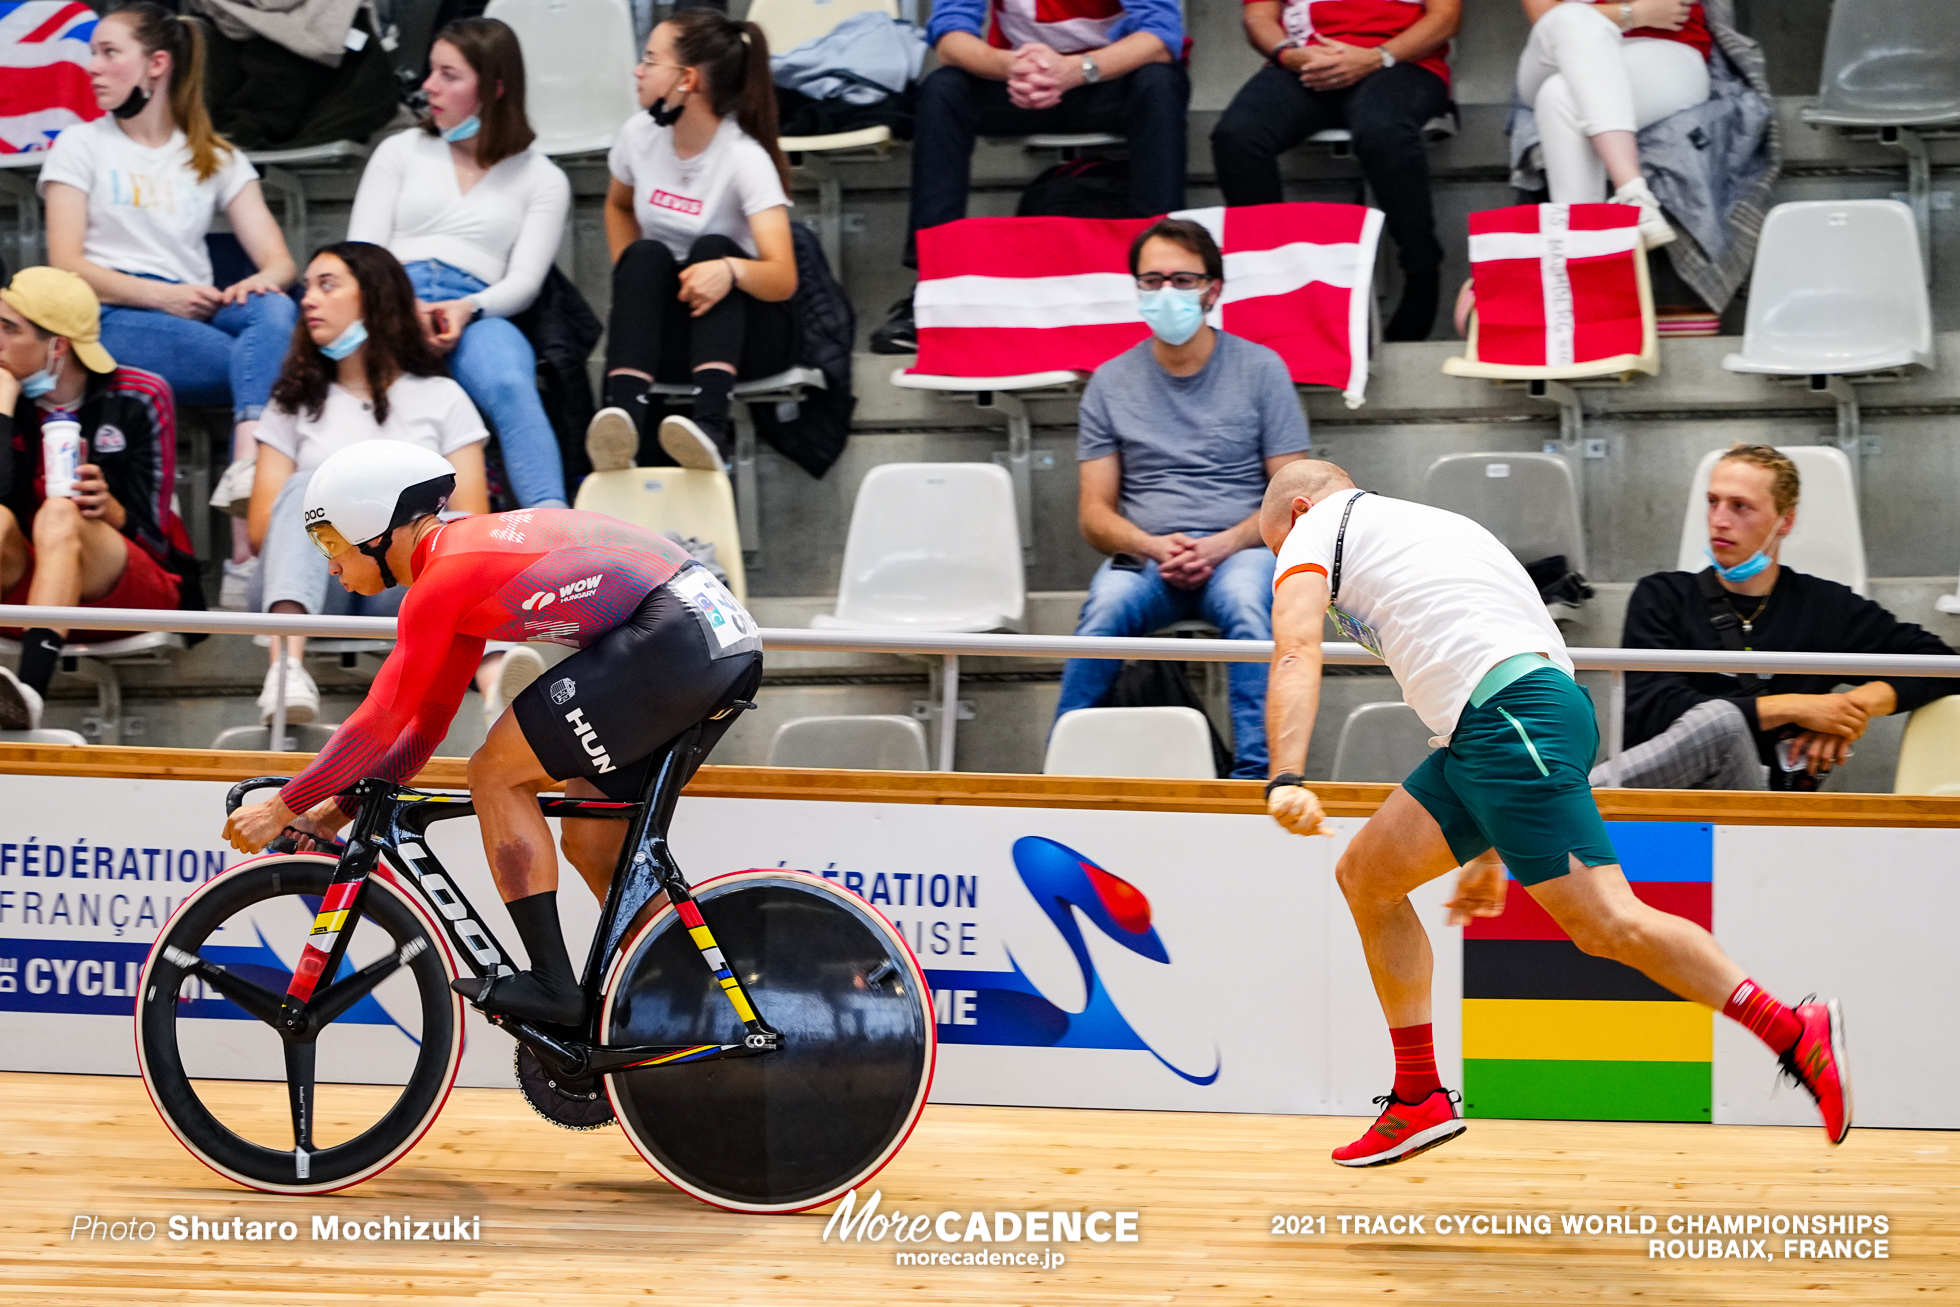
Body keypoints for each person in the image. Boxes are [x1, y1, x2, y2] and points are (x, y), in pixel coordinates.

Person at [1257, 459, 1850, 1165]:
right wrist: (1483, 848)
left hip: (1509, 723)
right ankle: (1418, 1093)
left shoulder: (1314, 527)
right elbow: (1481, 652)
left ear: (1296, 511)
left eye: (1275, 548)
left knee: (1607, 922)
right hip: (1504, 723)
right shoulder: (1429, 526)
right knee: (1368, 876)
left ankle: (1790, 1027)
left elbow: (1295, 651)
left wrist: (1286, 774)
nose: (1287, 565)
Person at [222, 441, 763, 1027]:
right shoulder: (459, 565)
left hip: (678, 636)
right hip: (716, 640)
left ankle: (554, 985)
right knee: (592, 844)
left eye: (331, 545)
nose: (329, 566)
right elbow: (425, 726)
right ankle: (698, 1001)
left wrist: (282, 806)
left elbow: (378, 722)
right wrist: (337, 811)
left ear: (375, 531)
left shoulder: (444, 579)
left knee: (495, 772)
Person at [39, 1, 298, 598]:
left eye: (109, 53)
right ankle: (247, 543)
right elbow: (66, 263)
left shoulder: (214, 154)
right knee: (281, 365)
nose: (93, 68)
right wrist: (166, 297)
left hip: (197, 308)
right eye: (93, 54)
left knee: (278, 309)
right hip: (113, 316)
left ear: (156, 64)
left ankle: (245, 471)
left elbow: (280, 263)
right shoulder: (79, 144)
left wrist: (249, 286)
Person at [1053, 218, 1311, 779]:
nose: (1165, 292)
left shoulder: (1262, 370)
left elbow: (1293, 499)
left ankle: (1261, 778)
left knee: (1250, 606)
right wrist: (1150, 544)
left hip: (1241, 551)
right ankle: (1062, 770)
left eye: (1181, 278)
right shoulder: (1110, 382)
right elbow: (1094, 514)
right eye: (1151, 280)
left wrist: (1221, 545)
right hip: (1147, 557)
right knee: (1103, 610)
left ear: (1213, 289)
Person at [1593, 444, 1954, 791]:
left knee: (1724, 720)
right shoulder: (1662, 595)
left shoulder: (1824, 606)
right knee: (1721, 721)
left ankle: (1560, 805)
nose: (1719, 520)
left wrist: (1844, 712)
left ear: (1785, 521)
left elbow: (1939, 664)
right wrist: (1795, 707)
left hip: (1754, 799)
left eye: (1740, 506)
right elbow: (1651, 712)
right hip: (1658, 795)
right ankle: (1569, 802)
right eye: (1713, 502)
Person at [247, 242, 489, 727]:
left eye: (327, 285)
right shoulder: (292, 402)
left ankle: (498, 685)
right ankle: (285, 672)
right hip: (320, 577)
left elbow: (474, 518)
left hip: (402, 580)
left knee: (462, 530)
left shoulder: (441, 397)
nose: (308, 299)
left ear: (375, 298)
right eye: (307, 287)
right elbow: (260, 529)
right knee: (303, 486)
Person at [869, 0, 1189, 354]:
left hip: (1107, 78)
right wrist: (1011, 66)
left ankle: (1162, 279)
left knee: (1160, 82)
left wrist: (1076, 70)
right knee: (943, 89)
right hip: (1019, 84)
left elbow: (1161, 36)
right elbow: (950, 36)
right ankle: (934, 287)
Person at [346, 17, 573, 511]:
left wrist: (466, 307)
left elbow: (526, 281)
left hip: (478, 308)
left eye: (449, 75)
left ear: (493, 88)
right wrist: (406, 306)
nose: (429, 86)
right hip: (389, 295)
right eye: (431, 71)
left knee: (510, 382)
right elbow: (359, 253)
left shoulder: (542, 177)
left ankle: (556, 532)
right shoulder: (400, 150)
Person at [583, 8, 797, 477]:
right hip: (673, 328)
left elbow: (783, 278)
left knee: (713, 249)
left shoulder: (744, 158)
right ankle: (621, 431)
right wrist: (632, 280)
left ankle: (711, 428)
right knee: (645, 255)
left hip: (746, 332)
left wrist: (731, 270)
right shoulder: (638, 136)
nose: (638, 71)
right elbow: (618, 206)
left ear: (687, 79)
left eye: (650, 60)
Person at [0, 267, 195, 731]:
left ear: (58, 346)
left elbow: (155, 532)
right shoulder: (6, 398)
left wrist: (112, 511)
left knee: (61, 512)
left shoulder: (141, 395)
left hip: (130, 589)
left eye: (9, 329)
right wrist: (3, 410)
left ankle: (28, 693)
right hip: (28, 592)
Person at [1211, 0, 1460, 342]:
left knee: (1382, 131)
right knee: (1237, 136)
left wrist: (1376, 57)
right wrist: (1288, 55)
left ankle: (1421, 270)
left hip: (1402, 62)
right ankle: (1270, 284)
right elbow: (1258, 16)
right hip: (1308, 61)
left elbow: (1446, 18)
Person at [1512, 0, 1711, 247]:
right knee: (1572, 16)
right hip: (1559, 47)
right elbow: (1545, 13)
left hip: (1666, 51)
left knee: (1557, 96)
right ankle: (1633, 193)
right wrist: (1632, 14)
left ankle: (1583, 255)